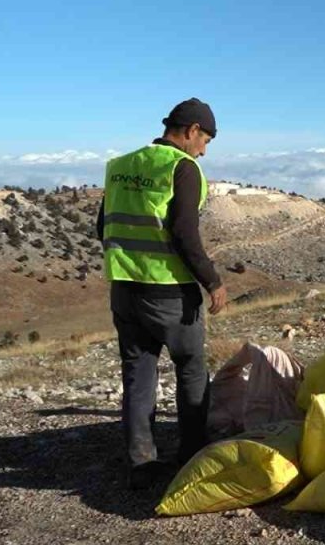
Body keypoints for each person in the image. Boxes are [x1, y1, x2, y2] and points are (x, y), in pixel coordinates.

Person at [96, 97, 228, 489]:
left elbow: (102, 226)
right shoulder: (183, 168)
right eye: (205, 141)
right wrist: (213, 281)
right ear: (190, 132)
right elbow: (185, 234)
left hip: (124, 286)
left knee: (138, 372)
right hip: (169, 291)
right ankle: (192, 456)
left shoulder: (121, 166)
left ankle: (141, 462)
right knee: (190, 368)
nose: (203, 150)